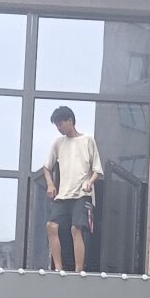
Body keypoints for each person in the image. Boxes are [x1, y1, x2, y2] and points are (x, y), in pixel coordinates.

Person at [44, 106, 104, 273]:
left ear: (70, 120)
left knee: (75, 228)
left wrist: (90, 182)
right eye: (56, 125)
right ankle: (58, 269)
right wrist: (50, 184)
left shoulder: (87, 140)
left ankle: (78, 270)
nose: (58, 128)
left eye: (60, 123)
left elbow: (97, 170)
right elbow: (47, 167)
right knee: (51, 226)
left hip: (81, 194)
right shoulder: (58, 143)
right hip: (63, 195)